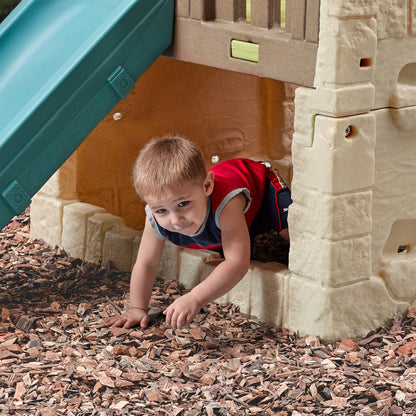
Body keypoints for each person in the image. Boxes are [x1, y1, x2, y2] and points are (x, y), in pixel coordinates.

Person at [105, 136, 292, 330]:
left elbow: (237, 263)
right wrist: (137, 308)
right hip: (227, 216)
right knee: (229, 235)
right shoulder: (154, 217)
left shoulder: (227, 202)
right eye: (161, 210)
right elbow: (146, 263)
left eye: (183, 204)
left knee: (292, 234)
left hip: (263, 186)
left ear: (207, 186)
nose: (176, 220)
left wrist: (195, 297)